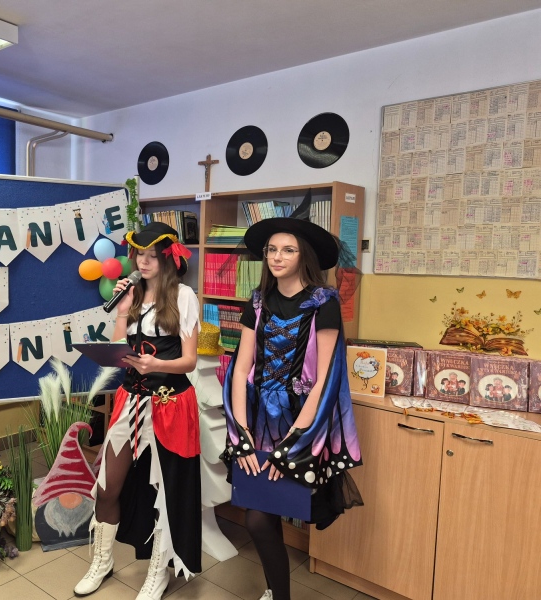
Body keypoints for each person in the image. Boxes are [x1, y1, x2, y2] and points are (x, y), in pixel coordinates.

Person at [221, 192, 363, 600]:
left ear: (304, 257)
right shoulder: (257, 302)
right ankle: (277, 594)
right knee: (259, 516)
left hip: (304, 424)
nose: (277, 257)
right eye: (271, 249)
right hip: (258, 421)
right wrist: (240, 435)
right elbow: (240, 369)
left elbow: (325, 380)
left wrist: (293, 445)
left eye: (288, 250)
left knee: (269, 513)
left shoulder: (324, 303)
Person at [74, 222, 201, 600]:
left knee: (164, 493)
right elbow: (119, 348)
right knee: (108, 486)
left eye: (151, 256)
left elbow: (190, 361)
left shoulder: (184, 296)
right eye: (139, 255)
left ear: (168, 259)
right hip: (131, 400)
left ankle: (157, 574)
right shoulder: (132, 293)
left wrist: (156, 365)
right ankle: (102, 561)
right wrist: (122, 311)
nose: (143, 263)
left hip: (170, 402)